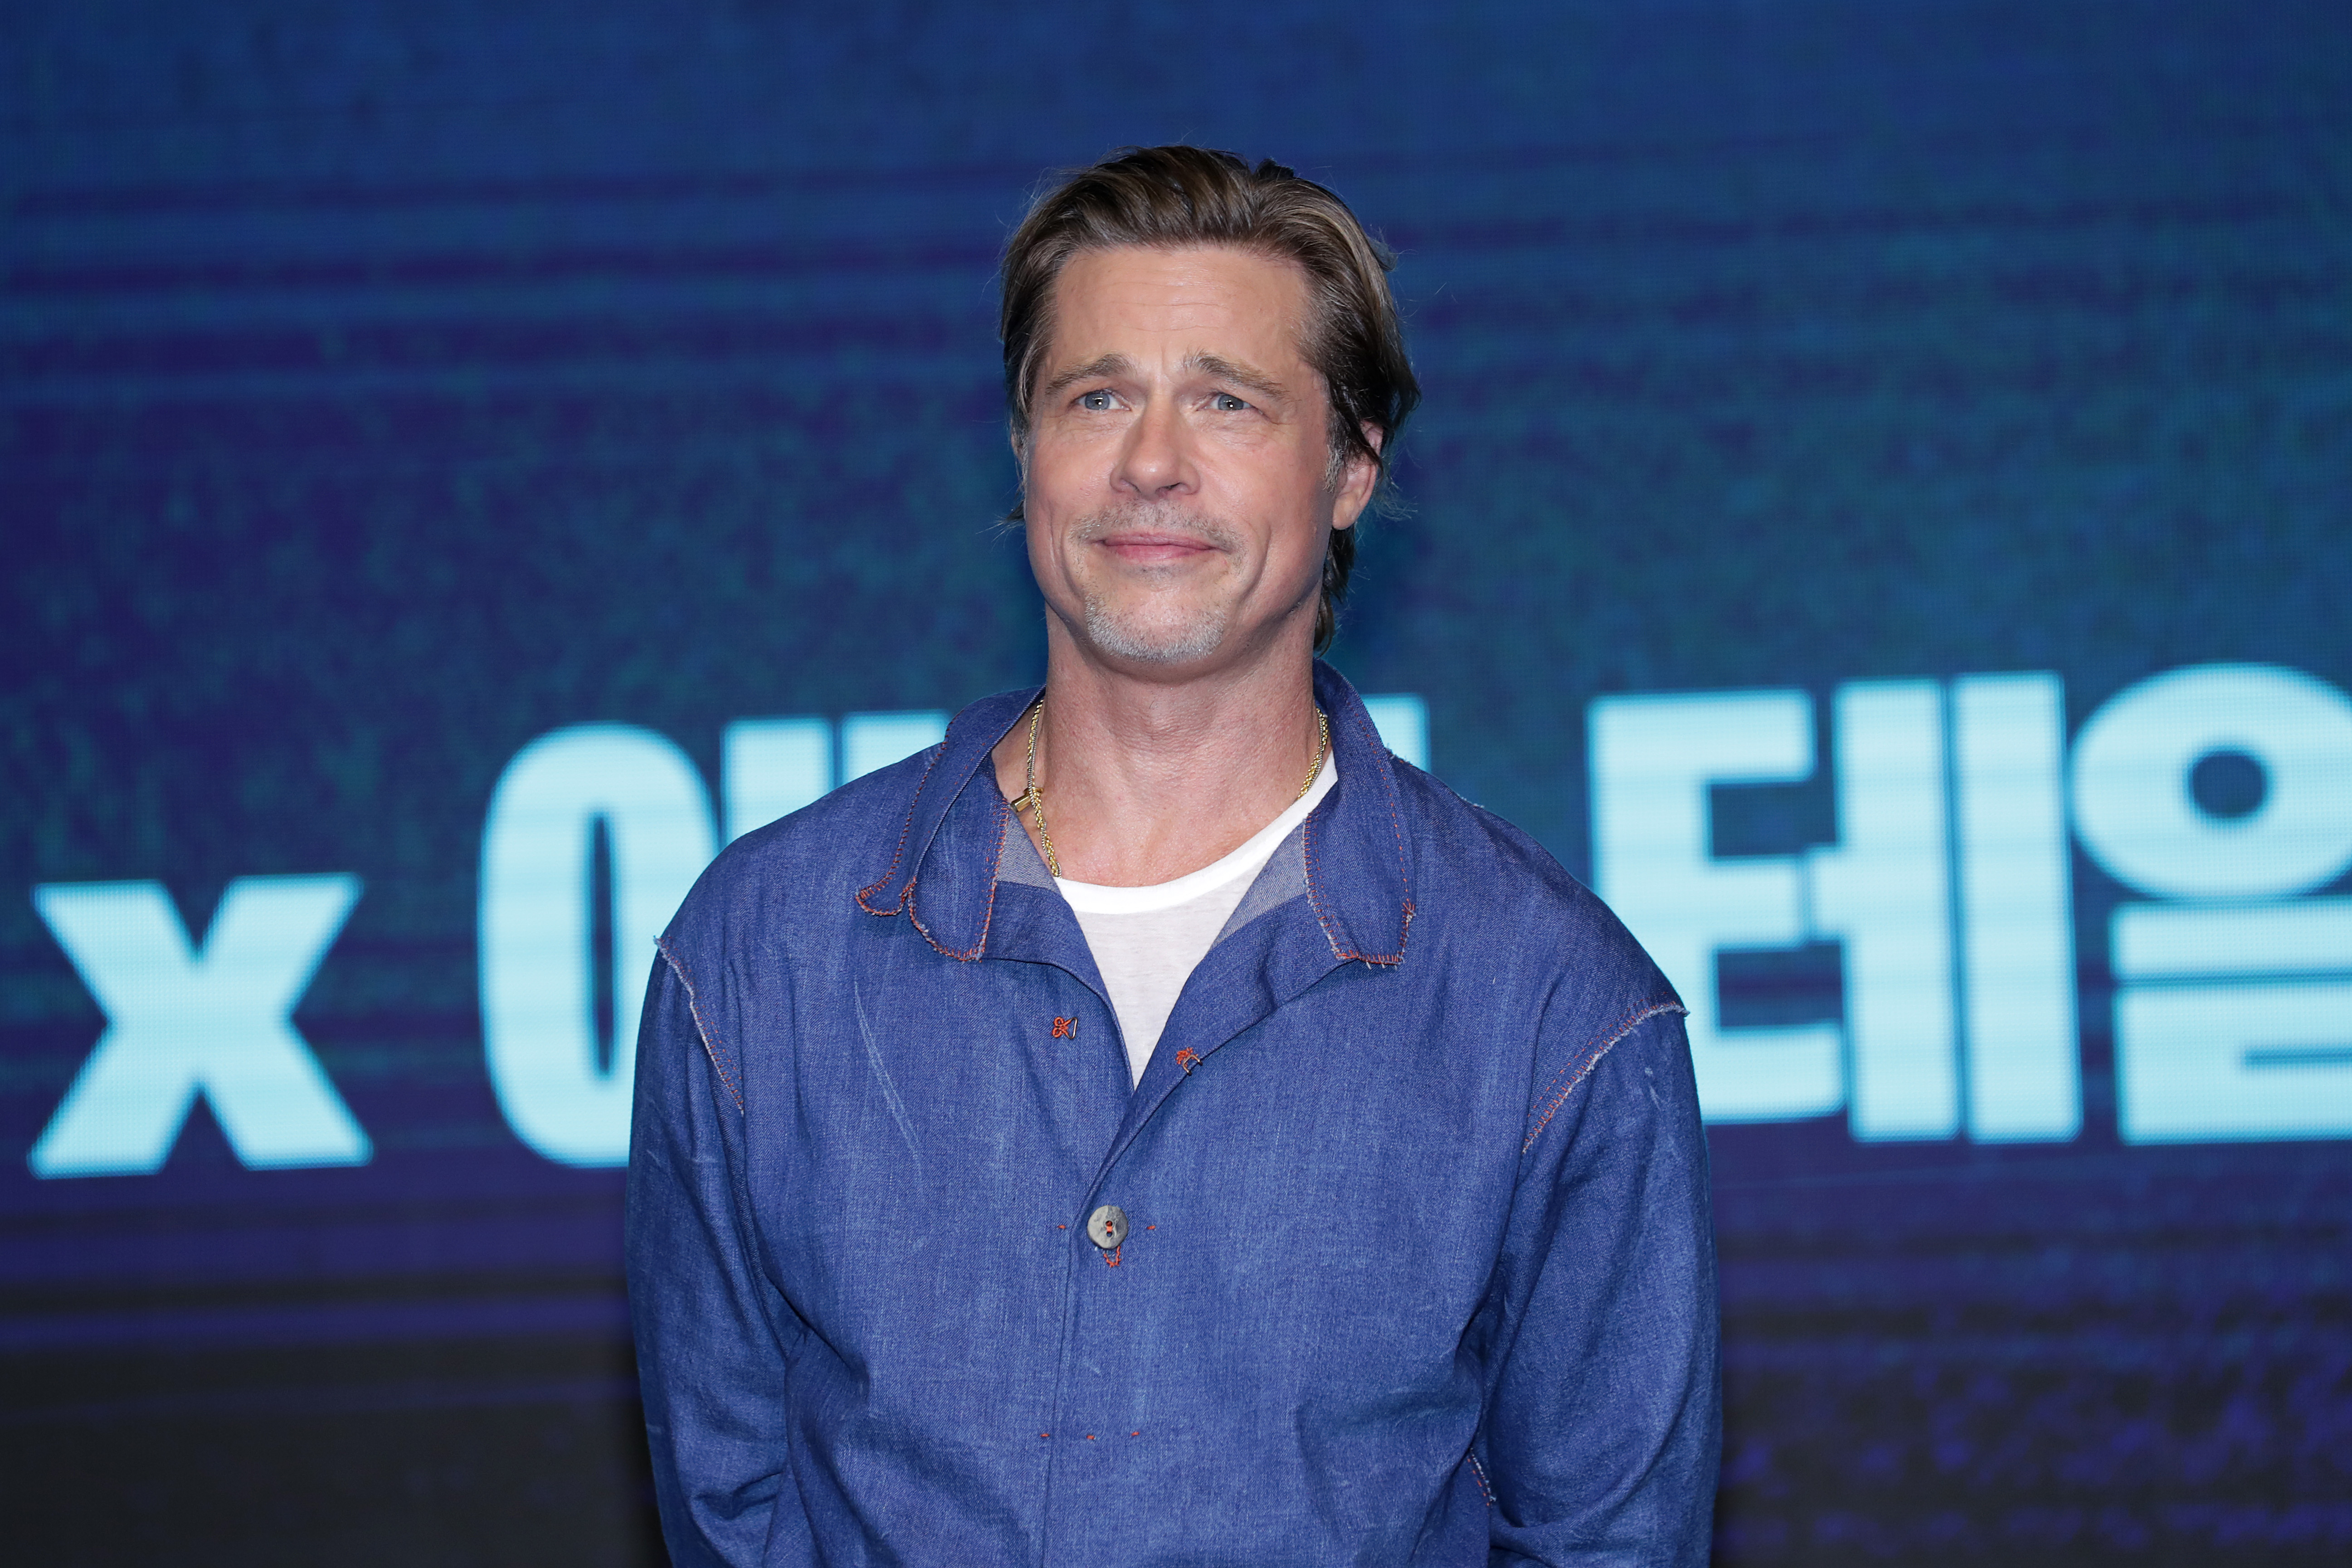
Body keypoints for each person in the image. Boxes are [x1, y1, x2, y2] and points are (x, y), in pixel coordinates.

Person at [627, 145, 1719, 1567]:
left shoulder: (1555, 1008)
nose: (1151, 462)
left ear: (1351, 468)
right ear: (1023, 452)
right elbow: (730, 1511)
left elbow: (1606, 1544)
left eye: (1226, 400)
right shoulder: (759, 954)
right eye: (1096, 397)